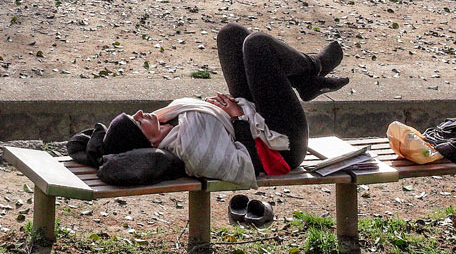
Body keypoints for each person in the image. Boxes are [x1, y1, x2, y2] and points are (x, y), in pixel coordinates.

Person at [68, 25, 347, 187]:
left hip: (254, 119)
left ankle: (308, 80)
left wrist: (226, 110)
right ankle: (313, 69)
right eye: (138, 121)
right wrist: (236, 117)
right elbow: (246, 163)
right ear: (148, 140)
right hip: (282, 147)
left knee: (231, 35)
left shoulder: (170, 123)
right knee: (257, 45)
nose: (142, 113)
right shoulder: (190, 149)